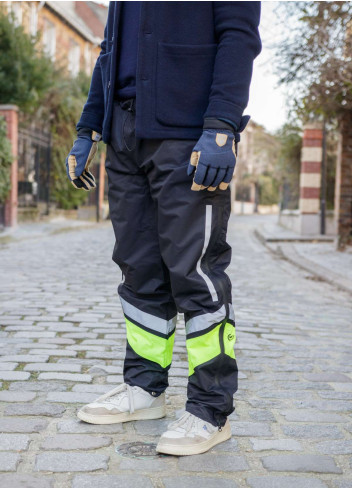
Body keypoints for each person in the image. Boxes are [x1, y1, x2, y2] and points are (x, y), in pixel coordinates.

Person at [66, 1, 261, 456]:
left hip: (189, 136)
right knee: (138, 269)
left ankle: (210, 409)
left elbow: (239, 37)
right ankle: (144, 388)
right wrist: (89, 125)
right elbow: (109, 50)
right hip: (126, 132)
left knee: (195, 273)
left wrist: (221, 126)